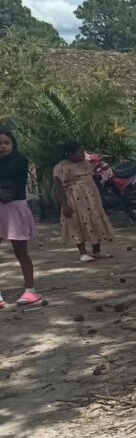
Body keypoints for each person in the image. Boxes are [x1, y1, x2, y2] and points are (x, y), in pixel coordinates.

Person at [53, 142, 115, 263]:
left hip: (91, 199)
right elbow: (58, 188)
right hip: (75, 200)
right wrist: (64, 205)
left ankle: (96, 250)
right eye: (80, 152)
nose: (83, 154)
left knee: (95, 221)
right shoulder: (61, 167)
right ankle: (83, 253)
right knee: (77, 223)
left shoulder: (86, 164)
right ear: (70, 154)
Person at [0, 128, 41, 307]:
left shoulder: (20, 160)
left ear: (12, 143)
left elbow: (13, 186)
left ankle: (30, 290)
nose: (2, 146)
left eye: (6, 142)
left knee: (21, 252)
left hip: (14, 208)